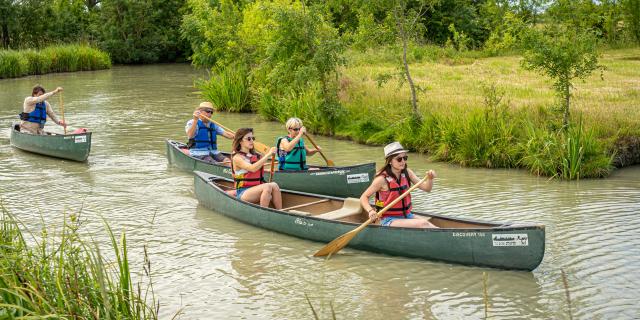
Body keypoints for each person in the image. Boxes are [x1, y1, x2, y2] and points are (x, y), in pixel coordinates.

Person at [359, 142, 439, 228]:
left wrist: (430, 179)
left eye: (405, 158)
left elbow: (427, 188)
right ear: (390, 161)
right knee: (423, 223)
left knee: (430, 225)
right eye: (399, 159)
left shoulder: (407, 172)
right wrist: (370, 211)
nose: (403, 161)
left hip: (407, 215)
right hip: (388, 219)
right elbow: (363, 197)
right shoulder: (381, 179)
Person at [231, 128, 282, 209]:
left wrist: (267, 170)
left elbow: (255, 171)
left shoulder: (255, 156)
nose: (252, 141)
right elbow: (252, 168)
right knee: (267, 186)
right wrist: (268, 155)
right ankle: (263, 213)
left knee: (274, 185)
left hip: (257, 187)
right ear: (240, 141)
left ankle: (280, 212)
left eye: (253, 138)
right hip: (243, 192)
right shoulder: (237, 158)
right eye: (248, 139)